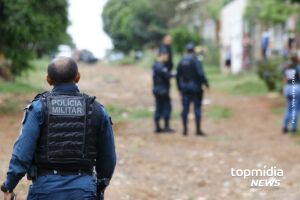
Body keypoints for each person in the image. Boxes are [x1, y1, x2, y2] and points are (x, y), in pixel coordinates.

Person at [1, 57, 117, 200]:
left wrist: (9, 186)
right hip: (84, 191)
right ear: (78, 77)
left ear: (48, 79)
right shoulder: (98, 110)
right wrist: (98, 187)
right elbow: (108, 159)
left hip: (44, 191)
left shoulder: (38, 108)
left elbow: (22, 153)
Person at [176, 43, 209, 136]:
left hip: (185, 88)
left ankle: (185, 130)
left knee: (185, 109)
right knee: (197, 109)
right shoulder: (196, 60)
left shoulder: (182, 60)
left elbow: (178, 76)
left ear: (186, 50)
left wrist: (179, 88)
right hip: (196, 88)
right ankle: (198, 130)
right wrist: (206, 84)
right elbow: (201, 74)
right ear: (193, 50)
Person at [152, 49, 175, 133]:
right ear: (162, 55)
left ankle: (158, 127)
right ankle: (166, 126)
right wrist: (175, 74)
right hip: (162, 90)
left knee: (159, 107)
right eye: (167, 56)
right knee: (166, 107)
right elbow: (167, 75)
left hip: (157, 89)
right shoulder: (160, 66)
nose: (167, 58)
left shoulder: (155, 65)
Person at [282, 53, 300, 134]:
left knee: (289, 108)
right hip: (296, 87)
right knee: (295, 109)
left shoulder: (287, 68)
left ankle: (285, 126)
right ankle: (293, 128)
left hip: (288, 88)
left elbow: (285, 79)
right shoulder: (298, 67)